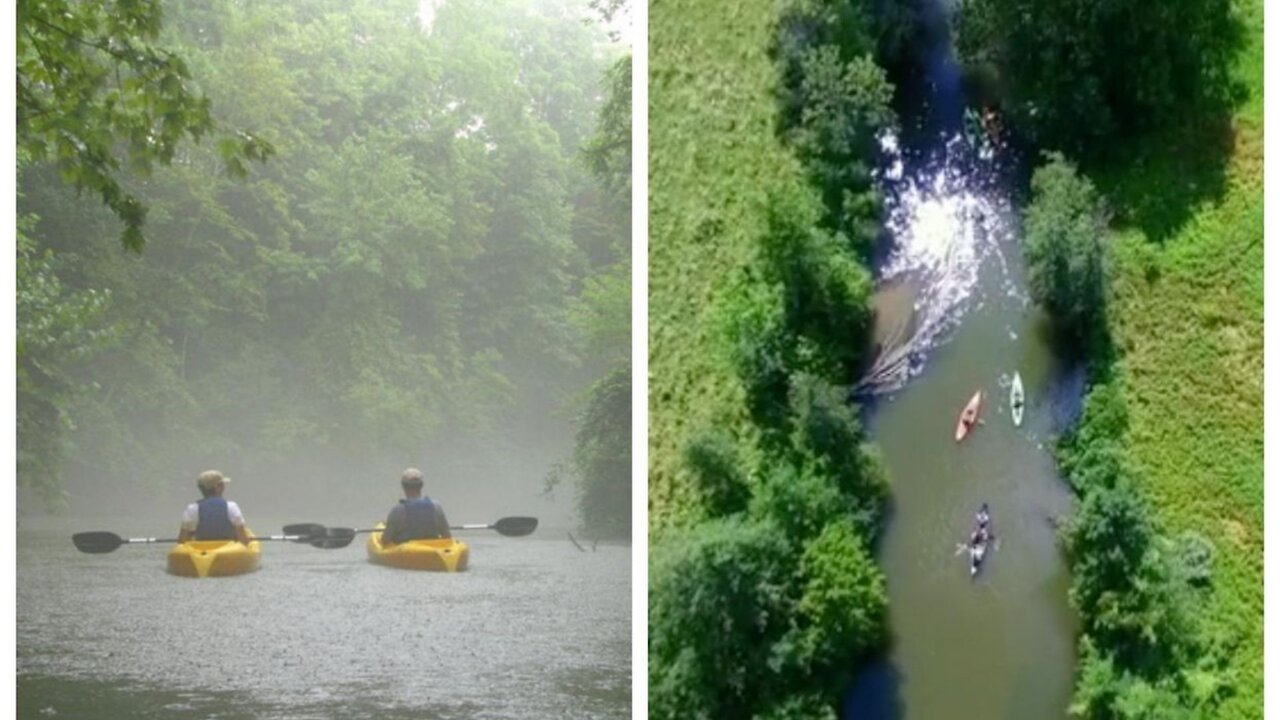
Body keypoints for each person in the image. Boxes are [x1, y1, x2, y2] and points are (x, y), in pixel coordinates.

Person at [178, 470, 252, 545]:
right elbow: (243, 539)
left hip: (201, 550)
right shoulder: (231, 506)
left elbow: (182, 540)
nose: (224, 487)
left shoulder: (192, 509)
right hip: (227, 550)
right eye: (222, 484)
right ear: (217, 487)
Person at [382, 468, 452, 544]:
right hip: (431, 550)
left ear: (403, 486)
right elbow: (447, 536)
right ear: (421, 485)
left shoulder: (397, 511)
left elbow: (385, 540)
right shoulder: (436, 507)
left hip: (406, 553)